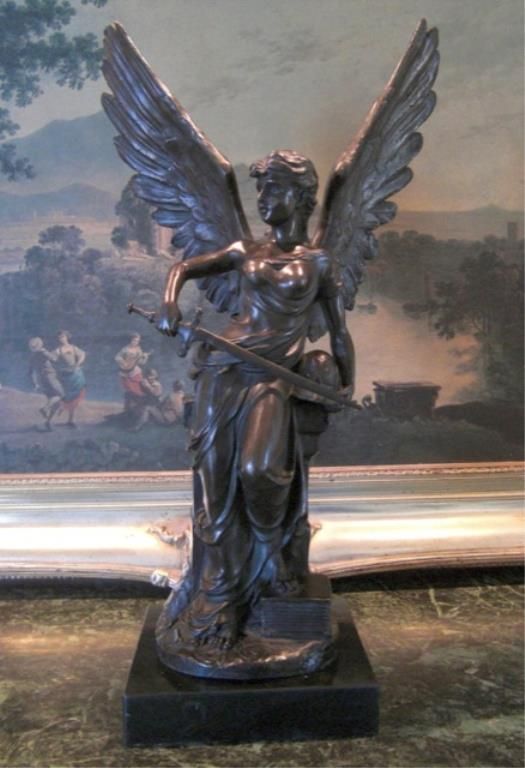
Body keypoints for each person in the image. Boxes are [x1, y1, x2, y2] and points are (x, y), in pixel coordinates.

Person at [157, 150, 354, 651]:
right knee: (216, 487)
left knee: (260, 470)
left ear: (302, 197)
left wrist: (344, 382)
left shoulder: (318, 263)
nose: (264, 198)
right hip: (223, 373)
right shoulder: (245, 250)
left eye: (275, 188)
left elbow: (338, 331)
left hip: (271, 379)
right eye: (261, 188)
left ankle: (273, 562)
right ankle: (221, 594)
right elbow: (183, 267)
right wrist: (169, 304)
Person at [50, 331, 86, 427]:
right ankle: (48, 421)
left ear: (67, 337)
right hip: (65, 376)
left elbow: (82, 354)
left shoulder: (73, 347)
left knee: (74, 398)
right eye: (59, 337)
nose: (61, 339)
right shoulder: (58, 350)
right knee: (61, 396)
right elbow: (52, 358)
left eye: (63, 337)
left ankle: (71, 420)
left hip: (76, 375)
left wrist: (78, 363)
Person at [28, 337, 64, 430]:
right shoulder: (43, 352)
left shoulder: (32, 357)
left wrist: (35, 384)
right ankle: (45, 408)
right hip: (49, 377)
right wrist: (54, 352)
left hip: (41, 380)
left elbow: (30, 373)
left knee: (55, 401)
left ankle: (48, 422)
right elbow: (54, 359)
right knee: (61, 395)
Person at [114, 333, 151, 411]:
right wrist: (123, 362)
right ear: (130, 340)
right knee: (129, 389)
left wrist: (145, 357)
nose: (136, 342)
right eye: (134, 340)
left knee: (138, 388)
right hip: (125, 371)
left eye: (137, 341)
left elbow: (141, 363)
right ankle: (129, 407)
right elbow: (117, 357)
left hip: (134, 371)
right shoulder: (125, 349)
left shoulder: (138, 349)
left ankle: (139, 407)